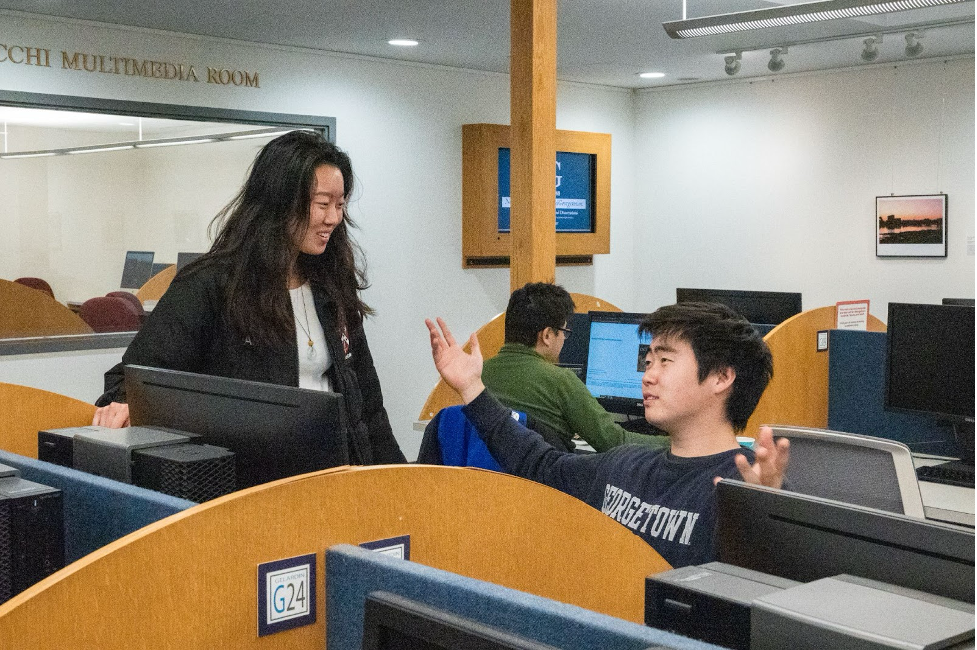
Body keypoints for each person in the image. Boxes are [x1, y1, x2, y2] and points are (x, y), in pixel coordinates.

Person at [93, 130, 406, 465]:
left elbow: (368, 404)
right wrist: (125, 403)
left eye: (340, 204)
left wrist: (397, 484)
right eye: (322, 204)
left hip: (335, 479)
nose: (334, 218)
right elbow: (135, 378)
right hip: (255, 484)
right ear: (280, 203)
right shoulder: (212, 285)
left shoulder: (331, 283)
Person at [425, 302, 789, 567]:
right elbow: (538, 462)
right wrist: (472, 388)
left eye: (665, 361)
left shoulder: (745, 489)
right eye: (648, 362)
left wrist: (761, 519)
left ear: (721, 378)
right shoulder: (624, 465)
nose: (647, 375)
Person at [482, 282, 668, 452]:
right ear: (547, 335)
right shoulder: (559, 381)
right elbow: (614, 441)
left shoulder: (478, 375)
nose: (564, 339)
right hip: (544, 486)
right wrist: (682, 442)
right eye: (564, 332)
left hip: (484, 482)